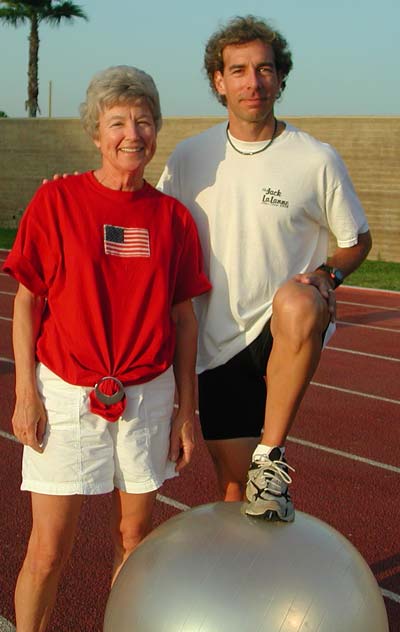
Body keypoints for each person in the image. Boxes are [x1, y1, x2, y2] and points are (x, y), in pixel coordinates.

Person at [3, 65, 211, 632]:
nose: (132, 134)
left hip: (147, 397)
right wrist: (26, 391)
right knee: (48, 550)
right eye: (116, 121)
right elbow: (27, 302)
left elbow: (184, 322)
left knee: (135, 539)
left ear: (157, 131)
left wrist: (184, 415)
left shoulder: (173, 219)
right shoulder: (57, 200)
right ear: (95, 133)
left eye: (143, 121)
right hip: (66, 393)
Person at [157, 15, 372, 521]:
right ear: (218, 81)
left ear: (280, 77)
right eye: (238, 70)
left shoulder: (314, 158)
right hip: (215, 344)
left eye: (264, 69)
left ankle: (271, 455)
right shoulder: (190, 158)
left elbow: (356, 239)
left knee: (298, 300)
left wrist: (328, 275)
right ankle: (254, 561)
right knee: (237, 497)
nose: (253, 82)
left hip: (281, 328)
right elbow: (156, 225)